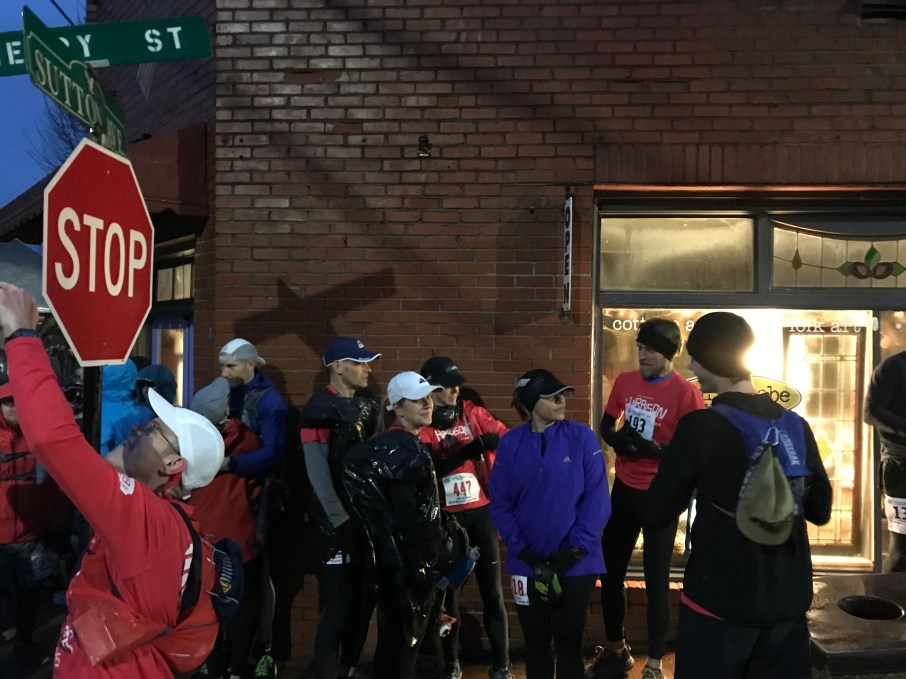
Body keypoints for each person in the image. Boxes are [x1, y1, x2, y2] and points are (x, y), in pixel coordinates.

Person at [0, 281, 226, 677]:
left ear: (173, 464)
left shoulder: (148, 519)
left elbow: (53, 439)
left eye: (154, 430)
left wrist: (21, 337)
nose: (138, 429)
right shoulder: (164, 521)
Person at [644, 312, 833, 679]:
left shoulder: (700, 427)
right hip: (787, 606)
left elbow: (656, 513)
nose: (691, 365)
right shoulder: (795, 425)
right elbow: (820, 510)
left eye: (694, 357)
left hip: (719, 604)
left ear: (707, 359)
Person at [588, 319, 704, 679]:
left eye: (650, 350)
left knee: (656, 580)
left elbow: (693, 450)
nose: (641, 355)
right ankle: (616, 650)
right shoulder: (626, 382)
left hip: (660, 493)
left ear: (668, 354)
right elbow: (607, 424)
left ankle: (654, 663)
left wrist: (657, 451)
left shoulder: (686, 393)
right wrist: (619, 441)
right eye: (639, 347)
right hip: (624, 486)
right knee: (610, 570)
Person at [490, 369, 610, 679]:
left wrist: (574, 551)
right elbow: (500, 503)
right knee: (536, 645)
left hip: (577, 563)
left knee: (569, 645)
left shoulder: (581, 437)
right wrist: (521, 549)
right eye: (552, 396)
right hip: (527, 563)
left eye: (563, 394)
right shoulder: (510, 443)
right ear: (531, 402)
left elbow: (598, 500)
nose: (561, 400)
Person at [343, 371, 444, 679]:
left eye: (428, 397)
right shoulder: (404, 449)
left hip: (388, 564)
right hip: (407, 566)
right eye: (417, 399)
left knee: (392, 645)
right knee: (402, 649)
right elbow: (406, 513)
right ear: (397, 408)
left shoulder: (386, 445)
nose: (427, 404)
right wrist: (428, 558)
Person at [418, 356, 512, 679]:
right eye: (448, 386)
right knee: (448, 597)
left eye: (457, 385)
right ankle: (451, 663)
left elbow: (505, 436)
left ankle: (501, 665)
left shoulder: (470, 413)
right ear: (431, 389)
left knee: (493, 592)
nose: (456, 391)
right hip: (447, 520)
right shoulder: (422, 421)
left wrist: (496, 441)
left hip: (479, 512)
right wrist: (467, 451)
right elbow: (428, 470)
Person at [300, 336, 381, 679]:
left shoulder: (366, 408)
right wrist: (340, 520)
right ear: (337, 366)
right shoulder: (318, 411)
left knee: (361, 602)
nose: (368, 370)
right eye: (359, 363)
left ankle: (347, 669)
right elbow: (317, 472)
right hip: (334, 524)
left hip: (363, 519)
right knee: (339, 603)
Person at [188, 377, 266, 679]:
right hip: (239, 538)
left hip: (201, 538)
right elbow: (257, 484)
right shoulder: (246, 441)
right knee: (243, 605)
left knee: (207, 605)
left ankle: (214, 666)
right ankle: (237, 668)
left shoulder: (187, 443)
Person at [0, 372, 73, 673]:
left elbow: (55, 484)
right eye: (7, 402)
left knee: (28, 599)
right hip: (1, 535)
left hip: (31, 533)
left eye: (18, 401)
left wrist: (57, 527)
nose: (14, 408)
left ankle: (24, 646)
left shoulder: (38, 434)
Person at [864, 349, 906, 572]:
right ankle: (891, 593)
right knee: (902, 550)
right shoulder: (895, 367)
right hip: (900, 467)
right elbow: (871, 412)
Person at [110, 363, 178, 450]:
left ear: (165, 388)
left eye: (151, 386)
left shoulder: (178, 416)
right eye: (142, 386)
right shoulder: (132, 416)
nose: (145, 390)